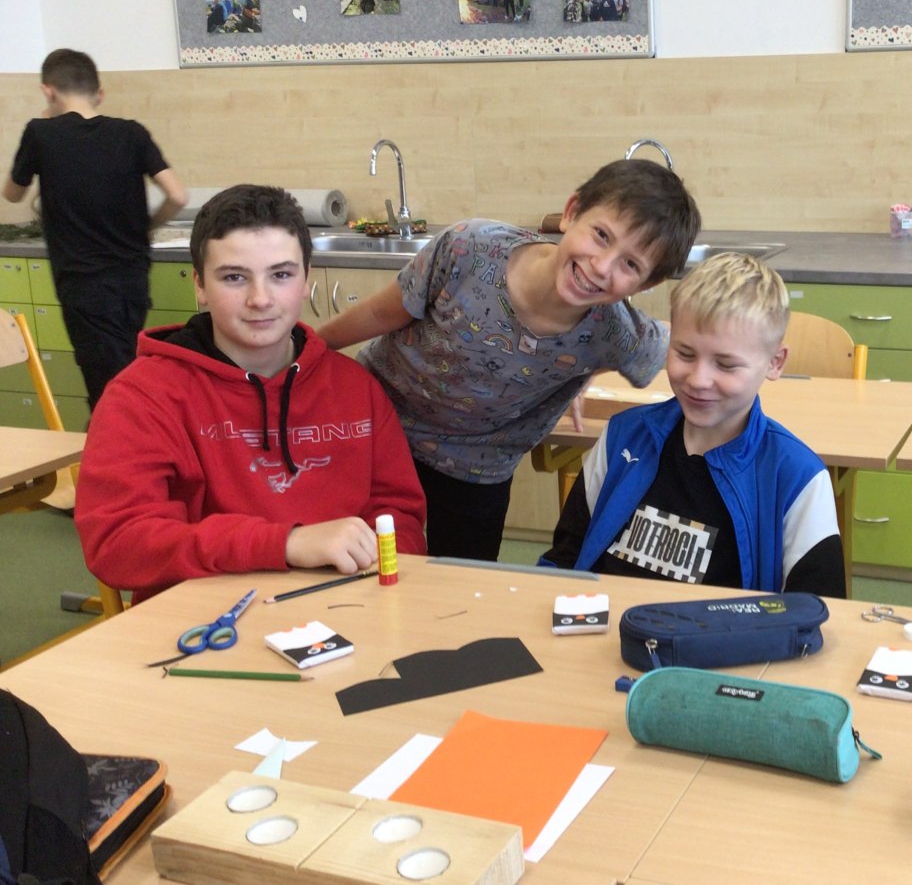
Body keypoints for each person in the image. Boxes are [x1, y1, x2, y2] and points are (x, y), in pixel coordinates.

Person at [317, 159, 701, 562]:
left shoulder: (616, 331)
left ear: (647, 283)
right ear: (571, 212)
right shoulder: (471, 247)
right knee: (351, 560)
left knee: (463, 582)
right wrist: (310, 347)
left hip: (476, 465)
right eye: (601, 235)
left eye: (631, 265)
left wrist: (590, 370)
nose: (602, 267)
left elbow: (686, 341)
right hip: (378, 428)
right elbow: (383, 313)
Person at [75, 185, 427, 605]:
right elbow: (118, 542)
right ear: (200, 285)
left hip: (344, 607)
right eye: (234, 277)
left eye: (281, 275)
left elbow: (399, 518)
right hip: (201, 620)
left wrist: (367, 581)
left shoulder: (356, 388)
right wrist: (284, 544)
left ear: (306, 280)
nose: (260, 299)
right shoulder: (142, 396)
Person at [540, 252, 846, 597]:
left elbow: (818, 611)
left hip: (723, 634)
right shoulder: (622, 437)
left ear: (775, 363)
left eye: (726, 365)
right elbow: (564, 560)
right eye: (684, 354)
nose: (698, 380)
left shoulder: (797, 477)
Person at [4, 49, 187, 411]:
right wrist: (147, 227)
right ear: (99, 94)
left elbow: (11, 193)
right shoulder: (132, 133)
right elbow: (178, 196)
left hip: (83, 283)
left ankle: (115, 441)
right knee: (126, 370)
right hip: (133, 280)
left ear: (48, 91)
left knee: (107, 388)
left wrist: (45, 122)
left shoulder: (41, 133)